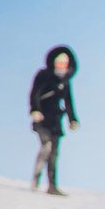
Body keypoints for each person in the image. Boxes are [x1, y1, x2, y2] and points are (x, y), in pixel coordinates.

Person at [28, 45, 79, 196]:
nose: (61, 66)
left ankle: (52, 185)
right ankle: (36, 179)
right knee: (46, 147)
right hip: (42, 118)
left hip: (56, 121)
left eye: (64, 63)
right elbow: (35, 93)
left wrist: (72, 119)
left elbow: (68, 101)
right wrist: (35, 110)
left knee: (54, 153)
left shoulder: (66, 80)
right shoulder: (43, 75)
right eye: (59, 62)